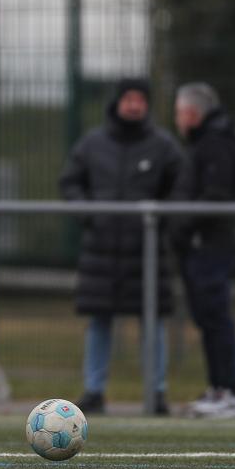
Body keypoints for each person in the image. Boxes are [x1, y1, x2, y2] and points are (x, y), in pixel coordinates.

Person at [60, 78, 186, 415]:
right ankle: (94, 391)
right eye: (128, 99)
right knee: (99, 321)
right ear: (117, 103)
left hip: (146, 251)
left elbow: (180, 187)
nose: (133, 105)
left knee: (152, 322)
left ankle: (156, 393)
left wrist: (159, 220)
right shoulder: (92, 144)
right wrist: (89, 216)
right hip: (100, 251)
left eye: (140, 99)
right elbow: (71, 183)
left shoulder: (163, 146)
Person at [171, 82, 235, 418]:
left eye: (178, 112)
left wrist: (183, 225)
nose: (177, 119)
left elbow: (215, 197)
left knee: (216, 318)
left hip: (211, 244)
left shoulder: (216, 144)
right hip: (201, 245)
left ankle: (229, 392)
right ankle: (219, 388)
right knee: (207, 318)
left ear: (190, 113)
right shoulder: (206, 142)